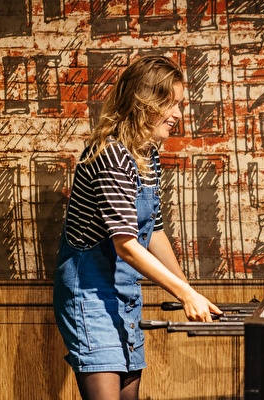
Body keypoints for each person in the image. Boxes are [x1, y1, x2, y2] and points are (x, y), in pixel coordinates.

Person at [53, 55, 223, 400]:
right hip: (90, 297)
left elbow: (154, 231)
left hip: (123, 295)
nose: (177, 115)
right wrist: (184, 293)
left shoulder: (147, 155)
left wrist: (189, 289)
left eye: (179, 104)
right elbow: (127, 245)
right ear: (143, 102)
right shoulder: (111, 155)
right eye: (169, 104)